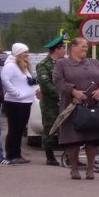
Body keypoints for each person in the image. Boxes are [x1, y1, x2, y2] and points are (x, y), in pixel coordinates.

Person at [52, 37, 99, 180]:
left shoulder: (93, 62)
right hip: (73, 106)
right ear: (73, 47)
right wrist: (73, 91)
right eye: (83, 46)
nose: (86, 48)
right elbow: (58, 81)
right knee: (74, 138)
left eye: (87, 46)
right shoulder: (62, 64)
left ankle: (90, 169)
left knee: (92, 138)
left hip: (94, 105)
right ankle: (74, 169)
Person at [2, 43, 39, 164]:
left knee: (20, 129)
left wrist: (34, 91)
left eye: (27, 52)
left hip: (25, 102)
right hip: (14, 102)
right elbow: (5, 81)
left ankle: (17, 154)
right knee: (14, 129)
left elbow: (27, 82)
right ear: (18, 53)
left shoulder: (23, 66)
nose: (27, 55)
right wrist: (16, 93)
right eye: (24, 52)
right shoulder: (10, 66)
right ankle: (11, 155)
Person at [37, 35, 68, 165]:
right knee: (50, 128)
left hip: (65, 101)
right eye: (63, 48)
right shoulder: (43, 64)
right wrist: (59, 94)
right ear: (57, 49)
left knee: (67, 129)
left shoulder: (64, 63)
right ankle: (50, 157)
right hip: (50, 102)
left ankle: (70, 156)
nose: (65, 51)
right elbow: (45, 84)